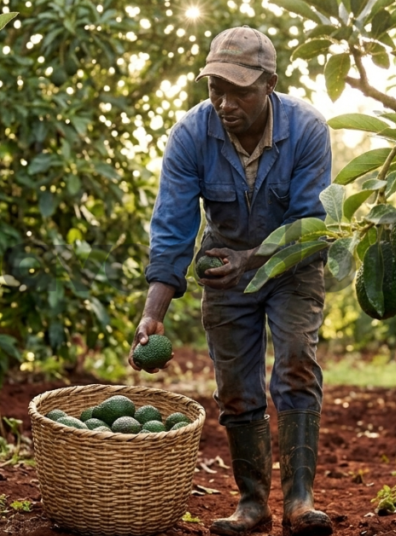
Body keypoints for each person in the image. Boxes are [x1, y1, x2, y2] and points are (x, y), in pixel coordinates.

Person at [129, 26, 334, 536]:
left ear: (269, 83)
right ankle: (252, 503)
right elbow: (173, 227)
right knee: (236, 388)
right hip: (224, 273)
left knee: (295, 364)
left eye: (238, 90)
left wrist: (251, 260)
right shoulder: (190, 135)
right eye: (214, 88)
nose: (223, 102)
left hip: (293, 267)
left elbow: (312, 223)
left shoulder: (308, 130)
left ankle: (300, 503)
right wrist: (153, 314)